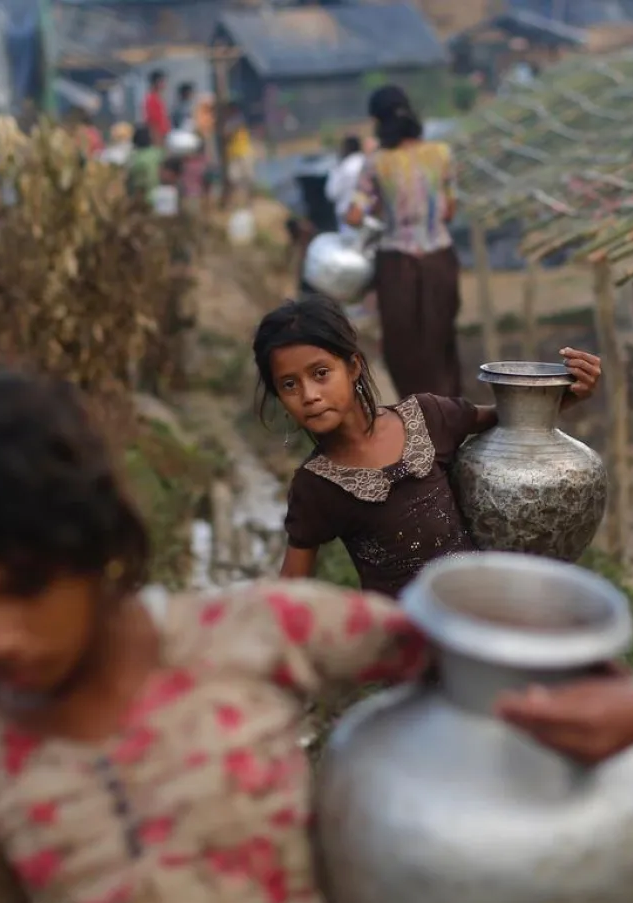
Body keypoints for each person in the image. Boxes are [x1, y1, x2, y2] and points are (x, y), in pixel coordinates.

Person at [0, 372, 633, 903]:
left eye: (26, 585)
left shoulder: (249, 634)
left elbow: (488, 652)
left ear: (90, 538)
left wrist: (632, 698)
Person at [256, 296, 600, 598]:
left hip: (478, 616)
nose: (309, 395)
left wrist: (570, 392)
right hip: (406, 646)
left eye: (320, 373)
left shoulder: (426, 417)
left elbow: (513, 421)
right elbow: (291, 591)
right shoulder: (317, 485)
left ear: (353, 367)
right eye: (289, 385)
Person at [344, 85, 461, 399]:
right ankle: (449, 414)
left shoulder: (376, 162)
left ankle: (416, 417)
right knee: (441, 341)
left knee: (403, 348)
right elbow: (449, 210)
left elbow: (354, 214)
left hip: (397, 264)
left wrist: (378, 210)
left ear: (378, 120)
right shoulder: (441, 154)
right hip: (439, 258)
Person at [325, 136, 367, 232]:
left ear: (346, 148)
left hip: (347, 218)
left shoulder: (342, 168)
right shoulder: (367, 162)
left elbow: (331, 193)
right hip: (368, 214)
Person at [143, 70, 171, 143]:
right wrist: (157, 139)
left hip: (163, 134)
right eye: (163, 81)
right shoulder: (151, 99)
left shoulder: (158, 97)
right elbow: (153, 122)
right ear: (157, 82)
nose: (164, 84)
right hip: (158, 136)